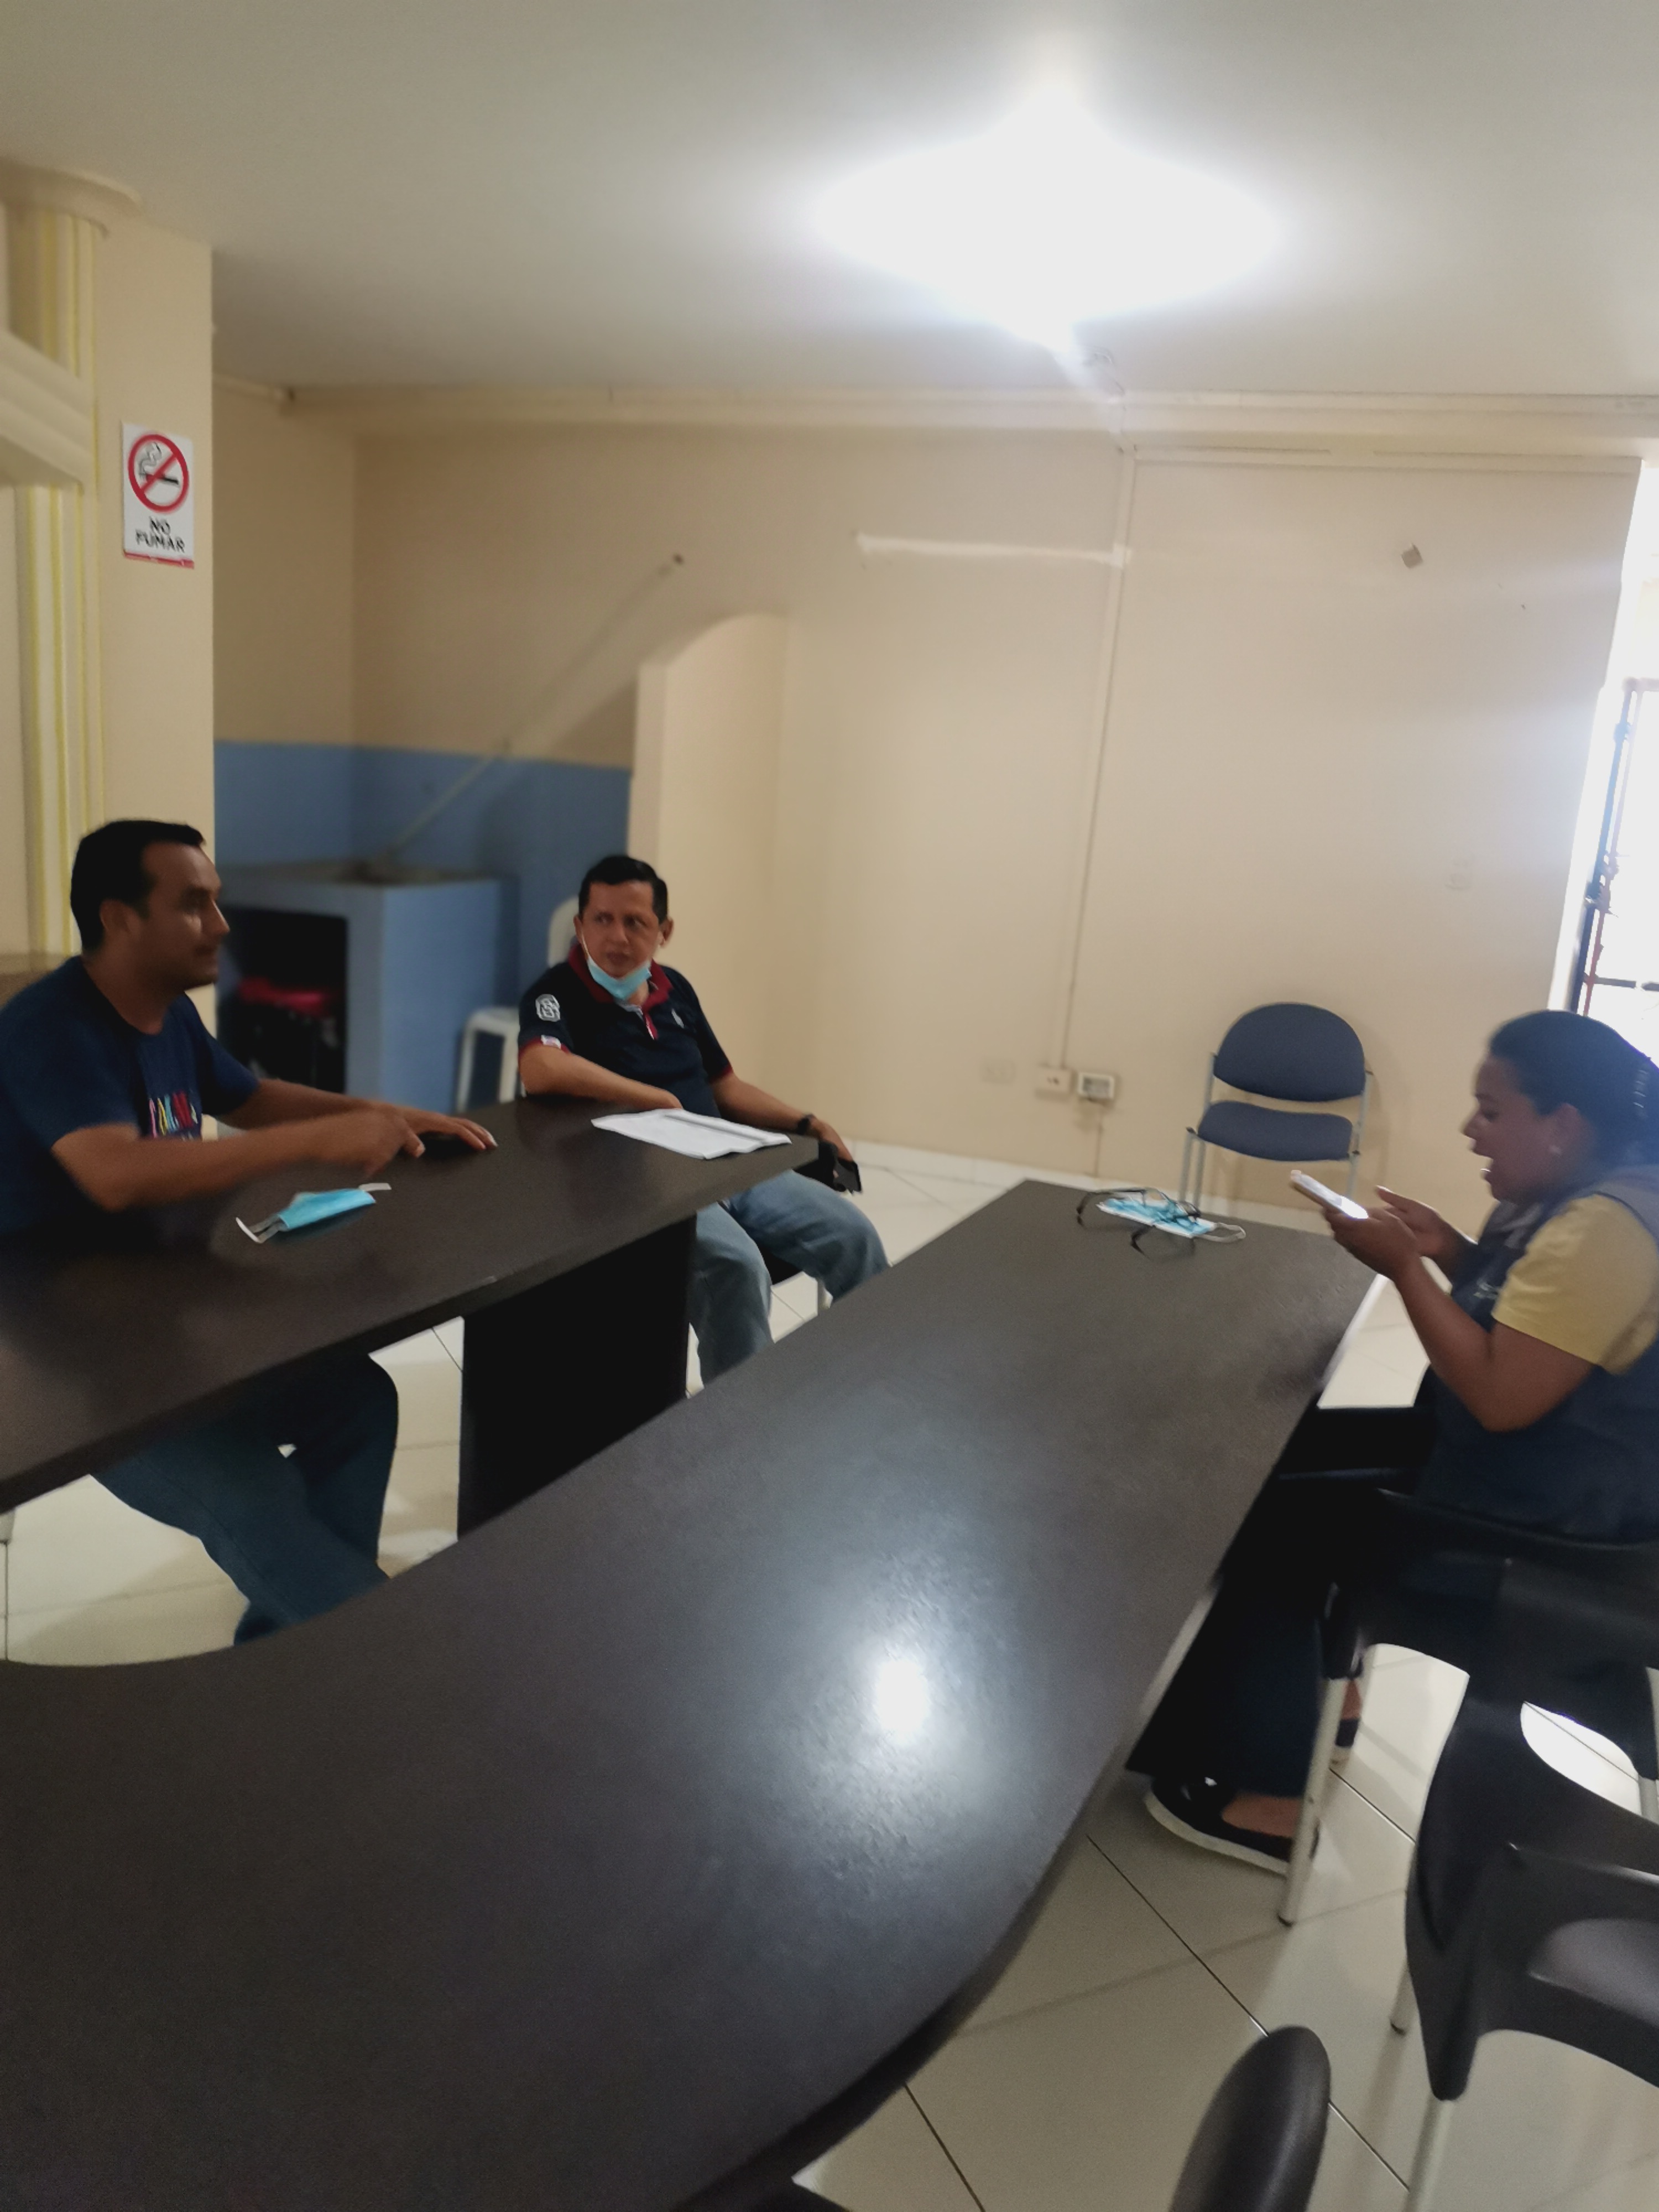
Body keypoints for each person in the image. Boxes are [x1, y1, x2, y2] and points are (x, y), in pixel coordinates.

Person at [1136, 1009, 1659, 1869]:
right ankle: (1324, 1704)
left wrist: (1405, 1269)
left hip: (1552, 1535)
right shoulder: (1601, 1191)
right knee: (1275, 1454)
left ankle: (1268, 1801)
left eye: (1492, 1110)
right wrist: (1450, 1250)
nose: (1470, 1130)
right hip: (1539, 1478)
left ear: (1562, 1125)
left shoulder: (1607, 1229)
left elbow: (1501, 1395)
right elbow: (1543, 1322)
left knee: (1274, 1519)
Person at [0, 819, 495, 1641]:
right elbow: (114, 1172)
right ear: (120, 918)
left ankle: (290, 1645)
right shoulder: (49, 1028)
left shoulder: (168, 1015)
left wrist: (389, 1114)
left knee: (361, 1402)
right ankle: (398, 1666)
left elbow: (251, 1099)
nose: (221, 925)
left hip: (171, 1326)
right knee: (255, 1498)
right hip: (90, 1376)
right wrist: (318, 1142)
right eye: (194, 905)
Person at [517, 853, 886, 1379]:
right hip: (641, 1186)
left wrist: (808, 1123)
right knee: (737, 1267)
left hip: (726, 1160)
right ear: (580, 926)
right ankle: (738, 1418)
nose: (616, 937)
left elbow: (725, 1086)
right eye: (602, 920)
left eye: (635, 922)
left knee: (854, 1236)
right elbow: (541, 1067)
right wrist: (651, 1096)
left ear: (663, 932)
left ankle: (873, 1382)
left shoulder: (677, 991)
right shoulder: (556, 992)